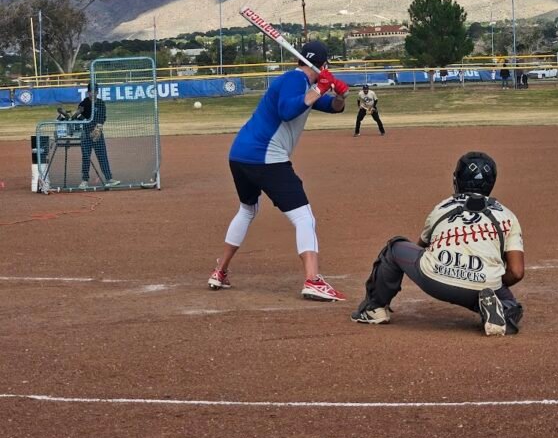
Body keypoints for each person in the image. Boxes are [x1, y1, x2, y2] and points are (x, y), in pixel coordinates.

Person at [208, 40, 349, 301]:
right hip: (266, 157)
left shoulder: (301, 85)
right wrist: (321, 86)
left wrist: (340, 95)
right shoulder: (295, 81)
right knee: (304, 218)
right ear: (324, 64)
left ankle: (220, 271)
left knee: (247, 209)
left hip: (240, 155)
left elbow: (331, 107)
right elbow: (287, 111)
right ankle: (313, 280)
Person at [350, 152, 525, 337]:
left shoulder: (443, 206)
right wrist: (490, 282)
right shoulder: (508, 215)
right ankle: (500, 312)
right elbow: (516, 272)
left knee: (395, 247)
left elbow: (420, 249)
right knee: (511, 304)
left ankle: (374, 309)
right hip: (482, 287)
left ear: (457, 179)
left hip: (435, 279)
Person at [75, 83, 120, 189]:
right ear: (88, 92)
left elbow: (102, 118)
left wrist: (97, 129)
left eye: (95, 92)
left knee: (102, 156)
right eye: (91, 92)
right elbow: (78, 116)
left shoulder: (101, 103)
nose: (93, 94)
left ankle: (109, 179)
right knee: (86, 157)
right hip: (86, 134)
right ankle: (84, 180)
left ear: (97, 92)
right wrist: (88, 126)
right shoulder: (83, 103)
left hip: (98, 134)